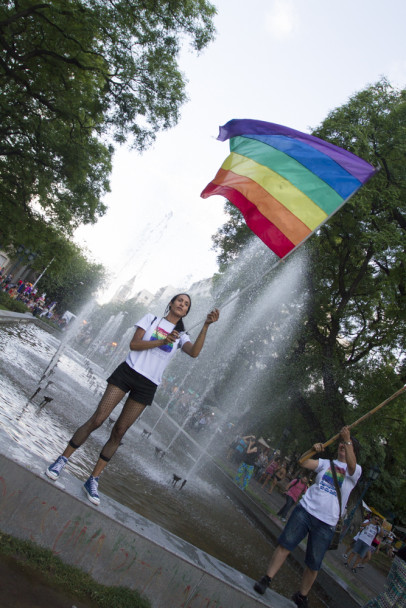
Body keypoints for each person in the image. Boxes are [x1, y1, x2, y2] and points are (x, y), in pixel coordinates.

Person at [46, 293, 219, 506]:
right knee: (98, 419)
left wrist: (206, 327)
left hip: (147, 385)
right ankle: (62, 460)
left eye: (186, 305)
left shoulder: (181, 335)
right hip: (128, 372)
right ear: (172, 303)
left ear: (186, 311)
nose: (182, 305)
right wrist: (162, 341)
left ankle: (93, 479)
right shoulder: (151, 320)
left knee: (119, 432)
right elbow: (134, 345)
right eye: (179, 301)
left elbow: (193, 353)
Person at [254, 426, 362, 608]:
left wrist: (348, 439)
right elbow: (302, 462)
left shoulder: (355, 471)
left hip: (327, 523)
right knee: (285, 545)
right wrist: (312, 450)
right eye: (341, 444)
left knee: (314, 563)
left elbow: (351, 465)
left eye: (346, 445)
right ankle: (267, 578)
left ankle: (301, 595)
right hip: (305, 510)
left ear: (352, 449)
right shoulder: (326, 463)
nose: (342, 446)